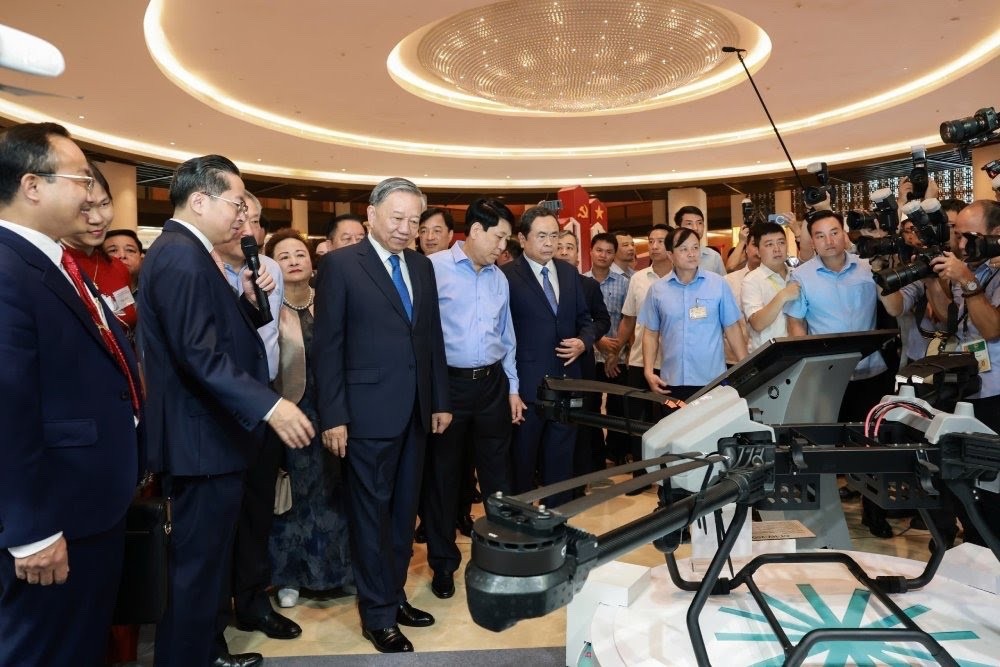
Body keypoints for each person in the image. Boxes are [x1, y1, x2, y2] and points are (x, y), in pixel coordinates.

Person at [138, 154, 313, 667]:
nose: (242, 216)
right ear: (200, 200)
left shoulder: (192, 254)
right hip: (202, 438)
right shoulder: (180, 256)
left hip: (212, 435)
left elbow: (216, 334)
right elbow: (199, 354)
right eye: (236, 204)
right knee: (194, 571)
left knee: (206, 567)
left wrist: (248, 301)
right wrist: (271, 405)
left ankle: (207, 650)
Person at [0, 122, 141, 666]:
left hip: (86, 507)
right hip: (52, 516)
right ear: (32, 185)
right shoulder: (8, 266)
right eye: (81, 179)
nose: (90, 193)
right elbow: (7, 409)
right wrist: (31, 530)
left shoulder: (53, 260)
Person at [313, 177, 451, 654]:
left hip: (416, 411)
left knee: (402, 514)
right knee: (370, 516)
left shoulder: (421, 265)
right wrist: (333, 415)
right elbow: (327, 347)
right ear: (371, 214)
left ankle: (393, 597)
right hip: (365, 413)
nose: (406, 228)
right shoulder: (340, 265)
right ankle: (376, 615)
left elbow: (431, 339)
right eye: (397, 218)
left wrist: (440, 400)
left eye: (414, 220)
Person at [424, 198, 524, 601]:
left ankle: (499, 557)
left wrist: (513, 387)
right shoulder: (433, 269)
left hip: (492, 385)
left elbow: (507, 335)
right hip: (448, 387)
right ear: (476, 230)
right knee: (443, 479)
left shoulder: (499, 278)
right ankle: (443, 564)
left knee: (498, 477)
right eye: (498, 237)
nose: (502, 246)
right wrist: (433, 395)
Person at [784, 210, 895, 538]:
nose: (829, 241)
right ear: (811, 240)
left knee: (872, 446)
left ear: (844, 233)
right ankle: (821, 518)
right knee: (822, 449)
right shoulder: (801, 276)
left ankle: (874, 512)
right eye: (820, 235)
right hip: (827, 377)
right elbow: (796, 325)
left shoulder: (867, 267)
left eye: (834, 232)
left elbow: (895, 309)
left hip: (870, 372)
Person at [264, 229, 353, 608]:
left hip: (334, 411)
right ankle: (291, 577)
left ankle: (339, 572)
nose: (294, 261)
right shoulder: (266, 307)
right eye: (283, 256)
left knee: (335, 491)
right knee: (293, 495)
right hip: (289, 414)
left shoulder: (329, 300)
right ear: (270, 265)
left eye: (300, 253)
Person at [502, 206, 599, 507]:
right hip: (527, 387)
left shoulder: (568, 273)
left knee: (561, 458)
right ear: (523, 238)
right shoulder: (506, 276)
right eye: (541, 236)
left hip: (567, 381)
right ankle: (520, 519)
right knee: (522, 459)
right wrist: (510, 387)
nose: (549, 243)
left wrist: (583, 341)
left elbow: (586, 320)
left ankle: (556, 520)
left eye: (554, 236)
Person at [927, 200, 1000, 546]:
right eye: (957, 236)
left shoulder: (979, 274)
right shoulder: (969, 267)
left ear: (996, 234)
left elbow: (992, 329)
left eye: (970, 236)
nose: (961, 244)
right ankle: (976, 547)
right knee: (965, 483)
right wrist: (933, 280)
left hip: (997, 393)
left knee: (994, 485)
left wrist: (968, 282)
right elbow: (950, 320)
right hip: (968, 390)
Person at [639, 226, 746, 401]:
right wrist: (648, 371)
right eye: (683, 249)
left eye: (695, 248)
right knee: (674, 419)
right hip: (671, 381)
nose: (691, 254)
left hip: (712, 380)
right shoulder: (657, 290)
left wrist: (744, 366)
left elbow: (732, 328)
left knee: (713, 419)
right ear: (670, 255)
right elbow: (650, 333)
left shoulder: (718, 284)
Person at [60, 162, 137, 339]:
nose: (98, 219)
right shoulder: (53, 264)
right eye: (84, 208)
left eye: (104, 204)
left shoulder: (117, 267)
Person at [741, 222, 799, 352]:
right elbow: (757, 323)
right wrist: (783, 296)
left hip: (797, 350)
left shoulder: (796, 275)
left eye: (781, 242)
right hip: (768, 355)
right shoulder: (752, 280)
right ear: (758, 251)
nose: (777, 249)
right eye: (769, 244)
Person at [674, 205, 726, 276]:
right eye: (689, 223)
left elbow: (722, 281)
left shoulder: (714, 257)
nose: (695, 228)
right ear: (677, 228)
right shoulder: (670, 256)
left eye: (699, 223)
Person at [103, 228, 143, 293]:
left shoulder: (153, 290)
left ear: (141, 258)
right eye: (113, 250)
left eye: (130, 250)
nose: (122, 255)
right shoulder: (91, 292)